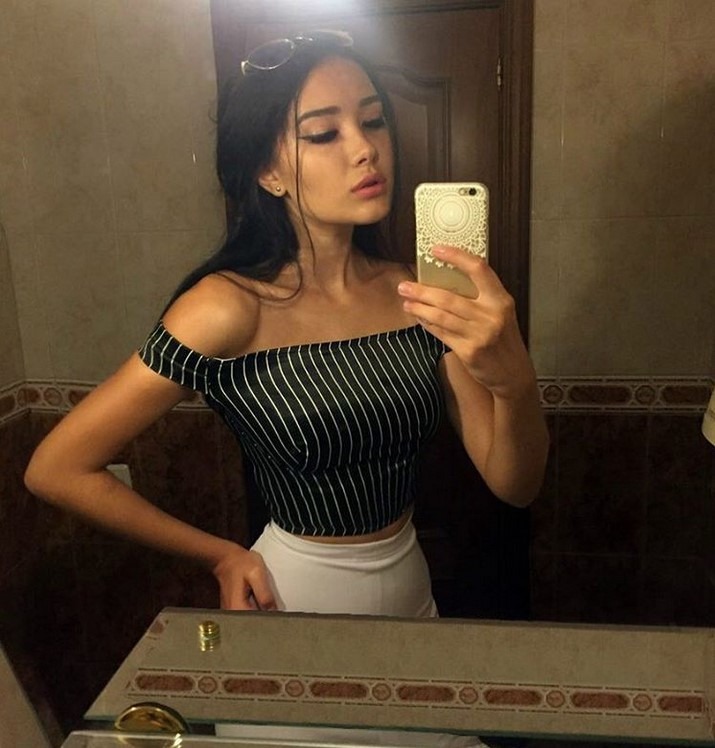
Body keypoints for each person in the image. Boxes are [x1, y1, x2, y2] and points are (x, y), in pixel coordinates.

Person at [25, 31, 549, 745]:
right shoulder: (226, 306)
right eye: (323, 133)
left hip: (413, 601)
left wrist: (513, 379)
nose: (365, 149)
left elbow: (514, 483)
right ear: (268, 172)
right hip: (291, 607)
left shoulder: (415, 294)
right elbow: (56, 467)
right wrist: (220, 554)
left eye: (373, 121)